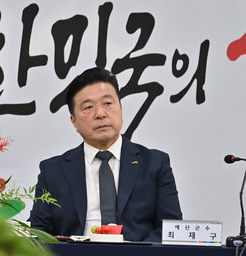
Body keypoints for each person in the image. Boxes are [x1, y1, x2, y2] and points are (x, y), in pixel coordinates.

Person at [28, 67, 182, 242]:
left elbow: (170, 228)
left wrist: (137, 255)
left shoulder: (155, 164)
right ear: (74, 121)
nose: (100, 114)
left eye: (108, 103)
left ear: (120, 108)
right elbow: (39, 231)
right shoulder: (52, 171)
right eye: (88, 107)